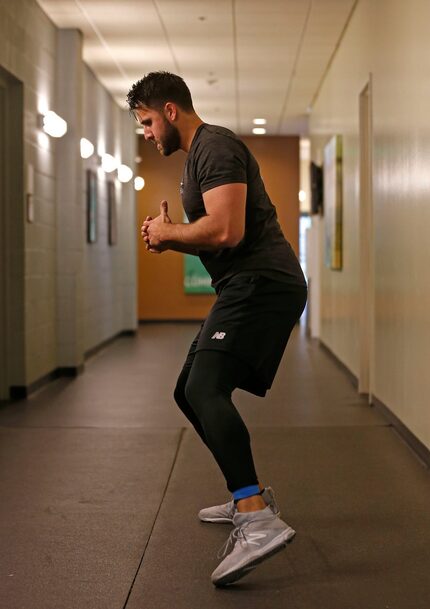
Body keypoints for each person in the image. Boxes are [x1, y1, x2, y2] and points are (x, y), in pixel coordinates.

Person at [127, 71, 307, 587]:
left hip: (263, 283)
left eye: (145, 122)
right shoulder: (195, 160)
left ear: (170, 112)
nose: (145, 133)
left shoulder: (216, 146)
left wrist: (169, 234)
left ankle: (255, 517)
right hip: (243, 286)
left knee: (207, 388)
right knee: (188, 391)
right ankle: (244, 495)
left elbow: (228, 229)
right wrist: (170, 236)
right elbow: (214, 232)